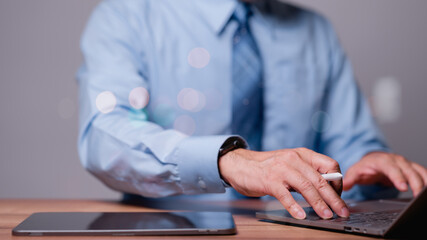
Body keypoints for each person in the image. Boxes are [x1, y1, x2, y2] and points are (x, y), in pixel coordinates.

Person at [77, 0, 427, 220]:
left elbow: (348, 145)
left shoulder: (317, 32)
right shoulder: (125, 15)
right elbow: (104, 134)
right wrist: (225, 161)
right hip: (169, 229)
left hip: (299, 230)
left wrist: (368, 163)